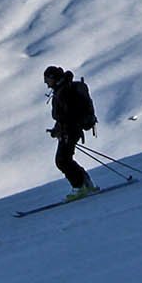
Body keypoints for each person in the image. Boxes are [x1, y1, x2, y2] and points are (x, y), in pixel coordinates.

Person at [44, 65, 97, 200]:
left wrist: (62, 129)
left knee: (62, 161)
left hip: (70, 130)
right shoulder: (63, 89)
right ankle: (86, 183)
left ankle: (79, 187)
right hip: (71, 129)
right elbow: (65, 115)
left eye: (47, 80)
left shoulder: (64, 91)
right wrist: (58, 129)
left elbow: (68, 114)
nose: (46, 83)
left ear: (53, 78)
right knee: (65, 160)